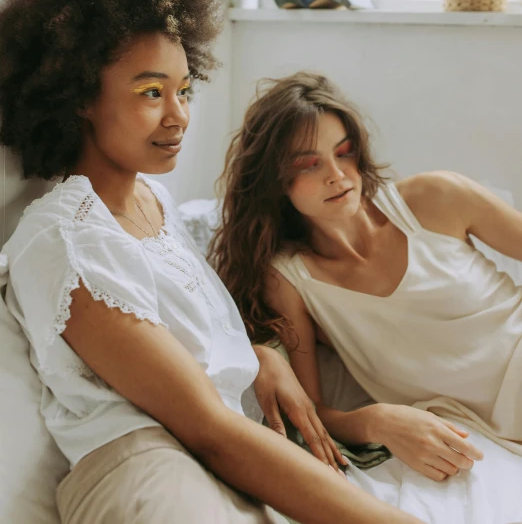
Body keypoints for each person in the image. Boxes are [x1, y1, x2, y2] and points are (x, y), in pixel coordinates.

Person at [0, 0, 422, 524]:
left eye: (183, 89)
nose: (178, 116)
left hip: (216, 463)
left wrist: (257, 356)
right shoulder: (63, 237)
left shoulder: (156, 203)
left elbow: (174, 352)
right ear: (79, 98)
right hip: (148, 474)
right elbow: (210, 427)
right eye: (150, 92)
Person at [212, 71, 522, 521]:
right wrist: (377, 420)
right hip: (479, 436)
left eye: (344, 153)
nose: (337, 176)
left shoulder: (436, 198)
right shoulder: (290, 280)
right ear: (276, 182)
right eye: (308, 164)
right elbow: (313, 412)